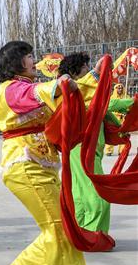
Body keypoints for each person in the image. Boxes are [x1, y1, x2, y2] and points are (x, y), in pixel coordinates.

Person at [0, 41, 101, 265]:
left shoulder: (32, 87)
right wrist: (59, 85)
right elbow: (39, 93)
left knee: (58, 227)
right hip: (24, 166)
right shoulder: (12, 89)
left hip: (40, 167)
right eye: (29, 56)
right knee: (62, 229)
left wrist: (93, 79)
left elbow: (68, 99)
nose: (33, 60)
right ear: (16, 62)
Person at [57, 53, 133, 238]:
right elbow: (107, 104)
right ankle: (92, 235)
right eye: (85, 68)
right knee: (95, 194)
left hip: (89, 151)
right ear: (75, 73)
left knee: (81, 192)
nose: (89, 71)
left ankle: (81, 232)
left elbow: (104, 112)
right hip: (80, 151)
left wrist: (121, 129)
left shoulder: (85, 92)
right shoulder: (73, 92)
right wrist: (133, 103)